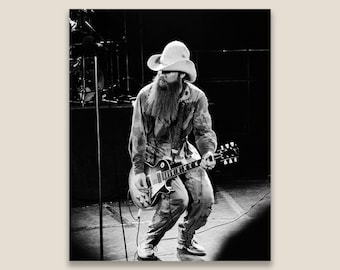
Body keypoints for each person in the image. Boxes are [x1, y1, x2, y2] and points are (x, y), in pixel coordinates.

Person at [128, 40, 217, 260]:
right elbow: (138, 134)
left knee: (204, 198)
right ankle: (150, 241)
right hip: (155, 155)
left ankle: (186, 239)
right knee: (178, 199)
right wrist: (139, 169)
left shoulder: (197, 97)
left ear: (182, 75)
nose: (162, 75)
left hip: (184, 153)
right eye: (161, 70)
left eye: (168, 72)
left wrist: (207, 152)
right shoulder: (145, 96)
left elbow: (204, 131)